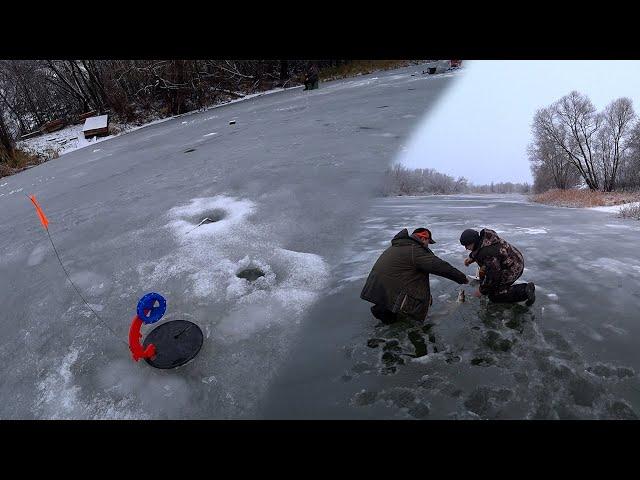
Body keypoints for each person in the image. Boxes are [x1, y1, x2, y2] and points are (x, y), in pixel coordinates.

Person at [361, 227, 468, 324]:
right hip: (390, 295)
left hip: (377, 290)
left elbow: (407, 277)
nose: (428, 245)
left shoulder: (398, 246)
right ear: (423, 238)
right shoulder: (415, 250)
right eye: (428, 242)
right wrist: (463, 279)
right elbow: (440, 267)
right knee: (402, 323)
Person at [459, 228, 535, 306]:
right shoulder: (485, 238)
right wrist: (472, 257)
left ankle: (524, 291)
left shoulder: (488, 253)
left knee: (494, 295)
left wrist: (482, 291)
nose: (466, 248)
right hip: (514, 259)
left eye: (467, 245)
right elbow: (479, 249)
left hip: (513, 268)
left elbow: (493, 276)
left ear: (474, 241)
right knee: (486, 277)